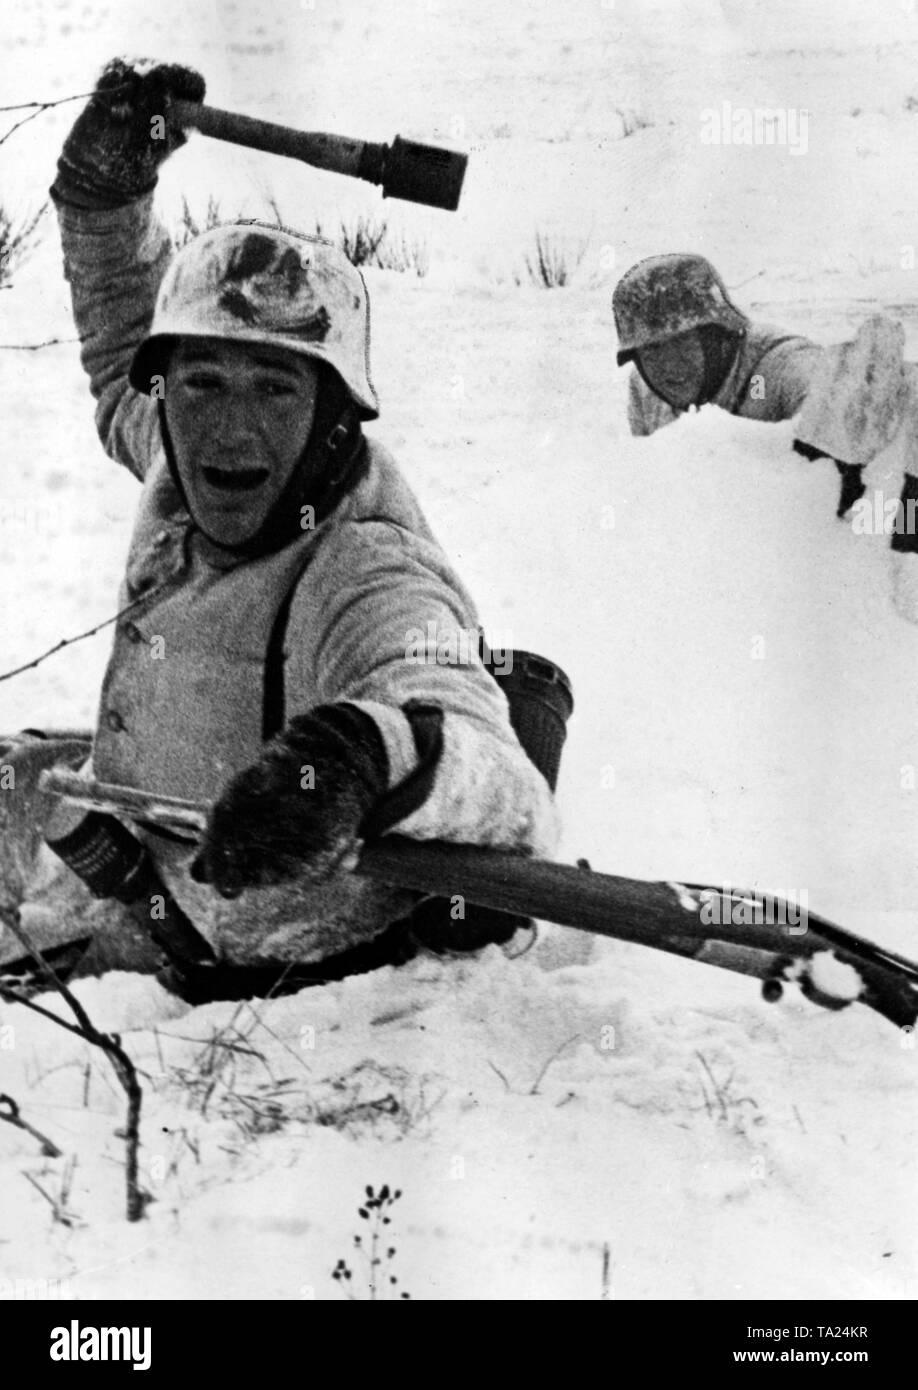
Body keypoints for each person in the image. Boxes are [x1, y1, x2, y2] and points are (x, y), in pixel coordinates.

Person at [0, 59, 558, 1002]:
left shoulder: (369, 568)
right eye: (204, 382)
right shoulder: (180, 462)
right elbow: (119, 346)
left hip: (262, 931)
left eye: (275, 387)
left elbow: (501, 782)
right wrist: (105, 195)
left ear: (336, 417)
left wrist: (356, 755)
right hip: (153, 823)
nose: (230, 427)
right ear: (167, 395)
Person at [612, 252, 877, 518]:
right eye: (652, 349)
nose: (669, 365)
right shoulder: (645, 392)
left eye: (682, 341)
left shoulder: (777, 364)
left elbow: (832, 392)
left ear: (718, 336)